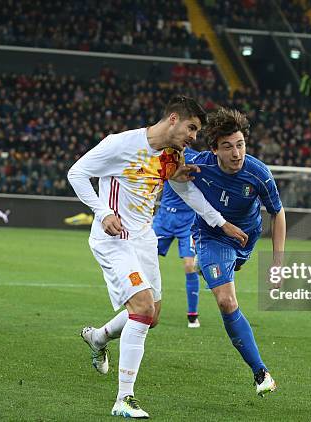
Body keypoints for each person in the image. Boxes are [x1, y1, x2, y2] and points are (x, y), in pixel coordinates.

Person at [67, 96, 246, 418]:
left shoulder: (171, 155)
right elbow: (77, 173)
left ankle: (97, 337)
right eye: (192, 128)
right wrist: (103, 211)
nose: (194, 137)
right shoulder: (120, 144)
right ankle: (124, 398)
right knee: (143, 308)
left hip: (144, 239)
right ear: (173, 119)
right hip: (114, 238)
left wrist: (221, 222)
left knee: (152, 316)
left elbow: (185, 191)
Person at [169, 107, 286, 396]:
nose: (236, 154)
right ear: (214, 149)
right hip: (212, 236)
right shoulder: (200, 163)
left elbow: (278, 213)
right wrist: (174, 172)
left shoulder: (258, 173)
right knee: (226, 300)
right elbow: (168, 164)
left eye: (240, 145)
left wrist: (278, 263)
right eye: (227, 147)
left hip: (247, 237)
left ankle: (210, 267)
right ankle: (261, 373)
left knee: (226, 273)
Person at [152, 140, 206, 328]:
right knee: (144, 257)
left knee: (189, 266)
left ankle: (192, 315)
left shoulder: (195, 158)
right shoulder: (163, 154)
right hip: (164, 218)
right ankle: (142, 304)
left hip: (187, 221)